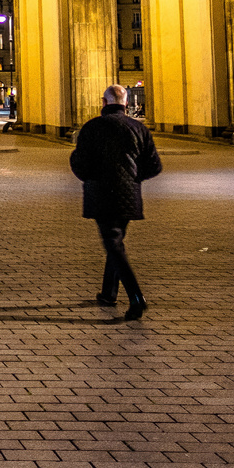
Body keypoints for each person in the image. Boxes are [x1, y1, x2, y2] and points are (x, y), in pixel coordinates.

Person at [69, 83, 162, 320]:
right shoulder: (139, 128)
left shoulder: (92, 128)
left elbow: (79, 163)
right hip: (128, 195)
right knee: (116, 241)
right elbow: (154, 166)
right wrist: (132, 179)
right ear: (127, 104)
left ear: (104, 102)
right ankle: (108, 293)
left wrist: (90, 178)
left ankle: (136, 297)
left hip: (100, 193)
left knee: (113, 243)